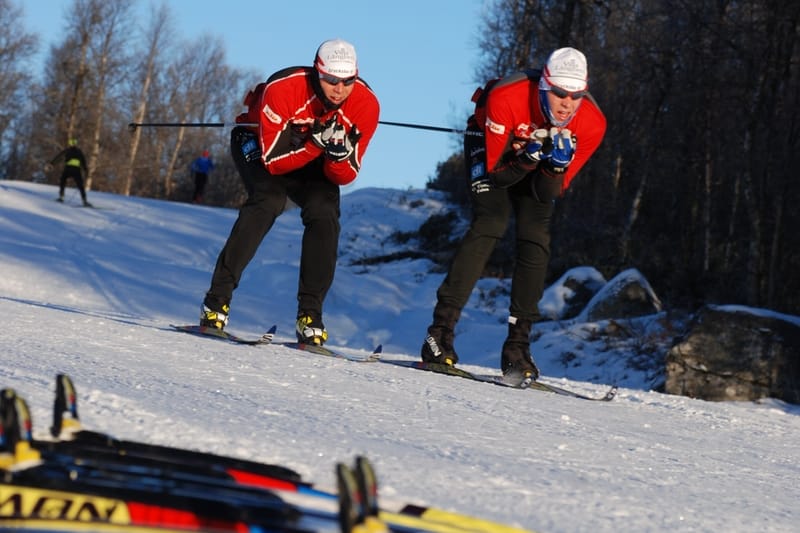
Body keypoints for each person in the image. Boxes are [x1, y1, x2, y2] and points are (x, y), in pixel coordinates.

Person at [420, 47, 607, 384]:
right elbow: (497, 176)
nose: (567, 103)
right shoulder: (508, 97)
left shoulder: (592, 123)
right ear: (544, 87)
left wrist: (555, 167)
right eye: (559, 93)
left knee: (536, 234)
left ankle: (518, 346)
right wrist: (526, 158)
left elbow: (546, 194)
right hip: (494, 149)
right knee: (491, 221)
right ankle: (440, 332)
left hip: (533, 163)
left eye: (575, 96)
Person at [200, 38, 380, 346]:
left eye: (347, 81)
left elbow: (346, 175)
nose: (339, 89)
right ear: (317, 72)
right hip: (257, 143)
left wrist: (338, 157)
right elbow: (274, 163)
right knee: (268, 200)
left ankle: (310, 316)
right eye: (331, 80)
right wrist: (315, 144)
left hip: (308, 156)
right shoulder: (284, 89)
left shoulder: (366, 105)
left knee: (325, 209)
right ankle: (216, 302)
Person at [51, 138, 91, 207]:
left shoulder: (67, 150)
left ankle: (61, 197)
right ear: (76, 143)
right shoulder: (79, 151)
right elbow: (83, 162)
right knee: (80, 186)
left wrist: (52, 163)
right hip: (77, 170)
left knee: (63, 181)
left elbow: (59, 157)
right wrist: (86, 171)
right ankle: (84, 201)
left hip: (68, 169)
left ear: (70, 144)